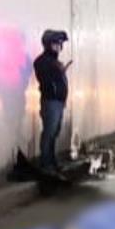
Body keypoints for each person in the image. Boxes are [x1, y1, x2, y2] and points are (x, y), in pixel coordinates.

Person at [33, 29, 71, 171]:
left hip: (58, 102)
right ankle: (46, 163)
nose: (58, 47)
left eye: (60, 44)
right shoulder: (42, 62)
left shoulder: (55, 63)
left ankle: (52, 161)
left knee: (54, 132)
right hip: (50, 102)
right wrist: (57, 72)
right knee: (49, 132)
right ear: (48, 45)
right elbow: (45, 79)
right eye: (55, 44)